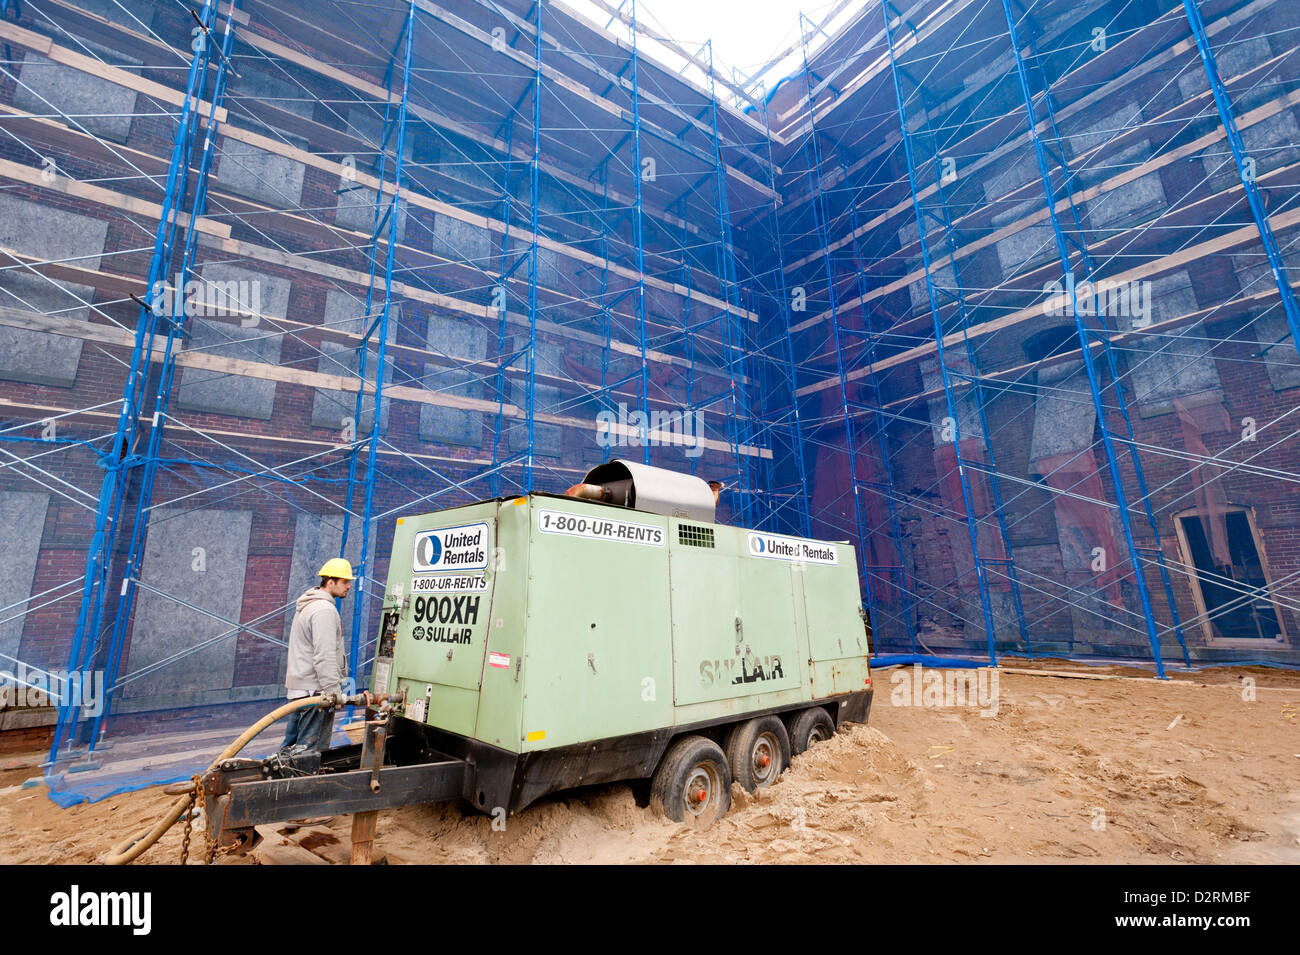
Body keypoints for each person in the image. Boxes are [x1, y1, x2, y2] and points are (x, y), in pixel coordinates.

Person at [280, 557, 355, 754]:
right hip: (315, 693)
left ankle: (283, 782)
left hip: (302, 689)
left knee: (291, 752)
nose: (349, 586)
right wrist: (334, 692)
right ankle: (302, 784)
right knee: (308, 754)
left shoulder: (309, 605)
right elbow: (324, 655)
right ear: (330, 582)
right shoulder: (324, 610)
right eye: (345, 582)